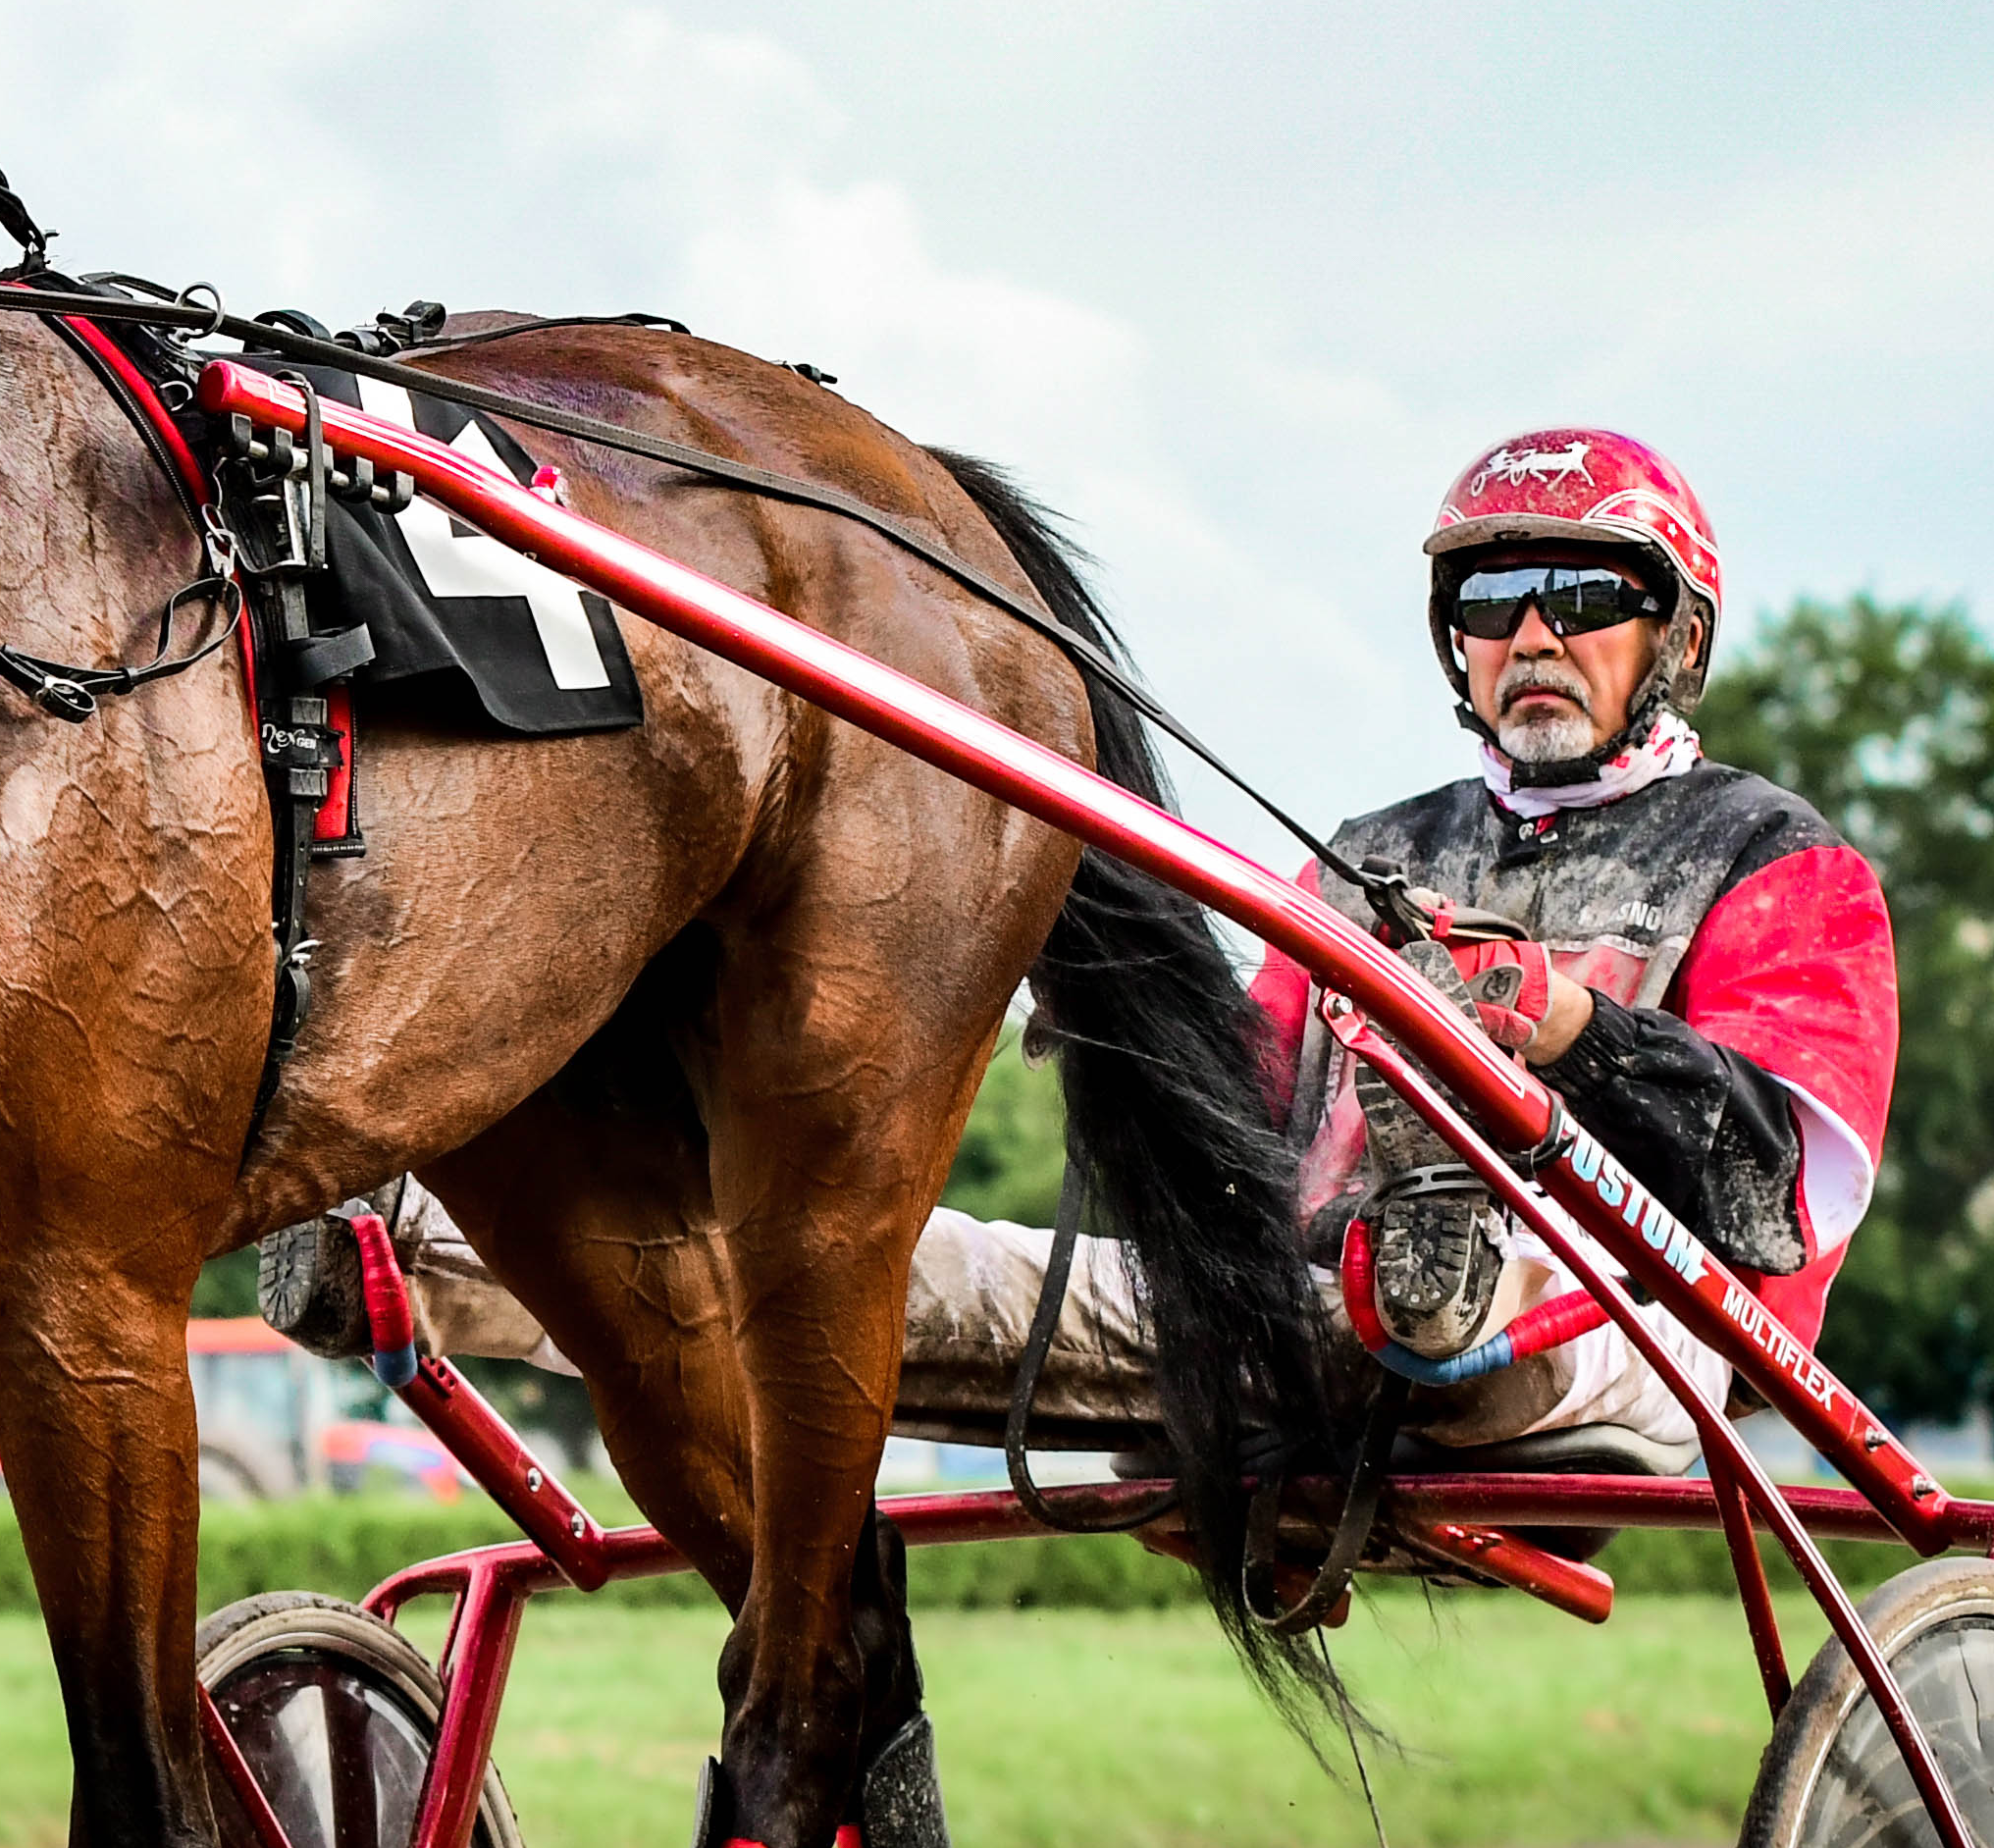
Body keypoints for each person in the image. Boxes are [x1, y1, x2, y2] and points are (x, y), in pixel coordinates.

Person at [269, 426, 1898, 1465]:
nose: (1529, 632)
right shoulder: (1380, 861)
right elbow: (1240, 1142)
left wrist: (1561, 1031)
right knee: (849, 1278)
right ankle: (421, 1247)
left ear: (1673, 633)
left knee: (1423, 1289)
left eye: (1579, 591)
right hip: (1299, 1314)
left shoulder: (1773, 861)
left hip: (1632, 1353)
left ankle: (1432, 1292)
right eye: (1490, 602)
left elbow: (1787, 1198)